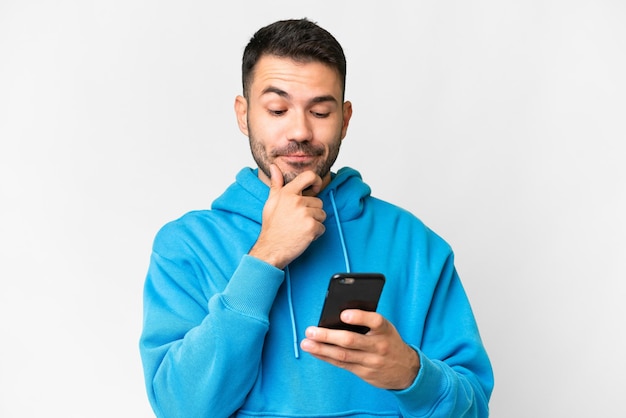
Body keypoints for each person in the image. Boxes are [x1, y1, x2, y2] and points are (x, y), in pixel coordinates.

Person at [139, 18, 494, 418]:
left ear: (345, 118)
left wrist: (411, 374)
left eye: (320, 111)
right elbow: (180, 408)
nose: (300, 131)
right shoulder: (187, 245)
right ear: (244, 115)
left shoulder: (414, 243)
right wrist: (265, 257)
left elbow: (474, 409)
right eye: (277, 109)